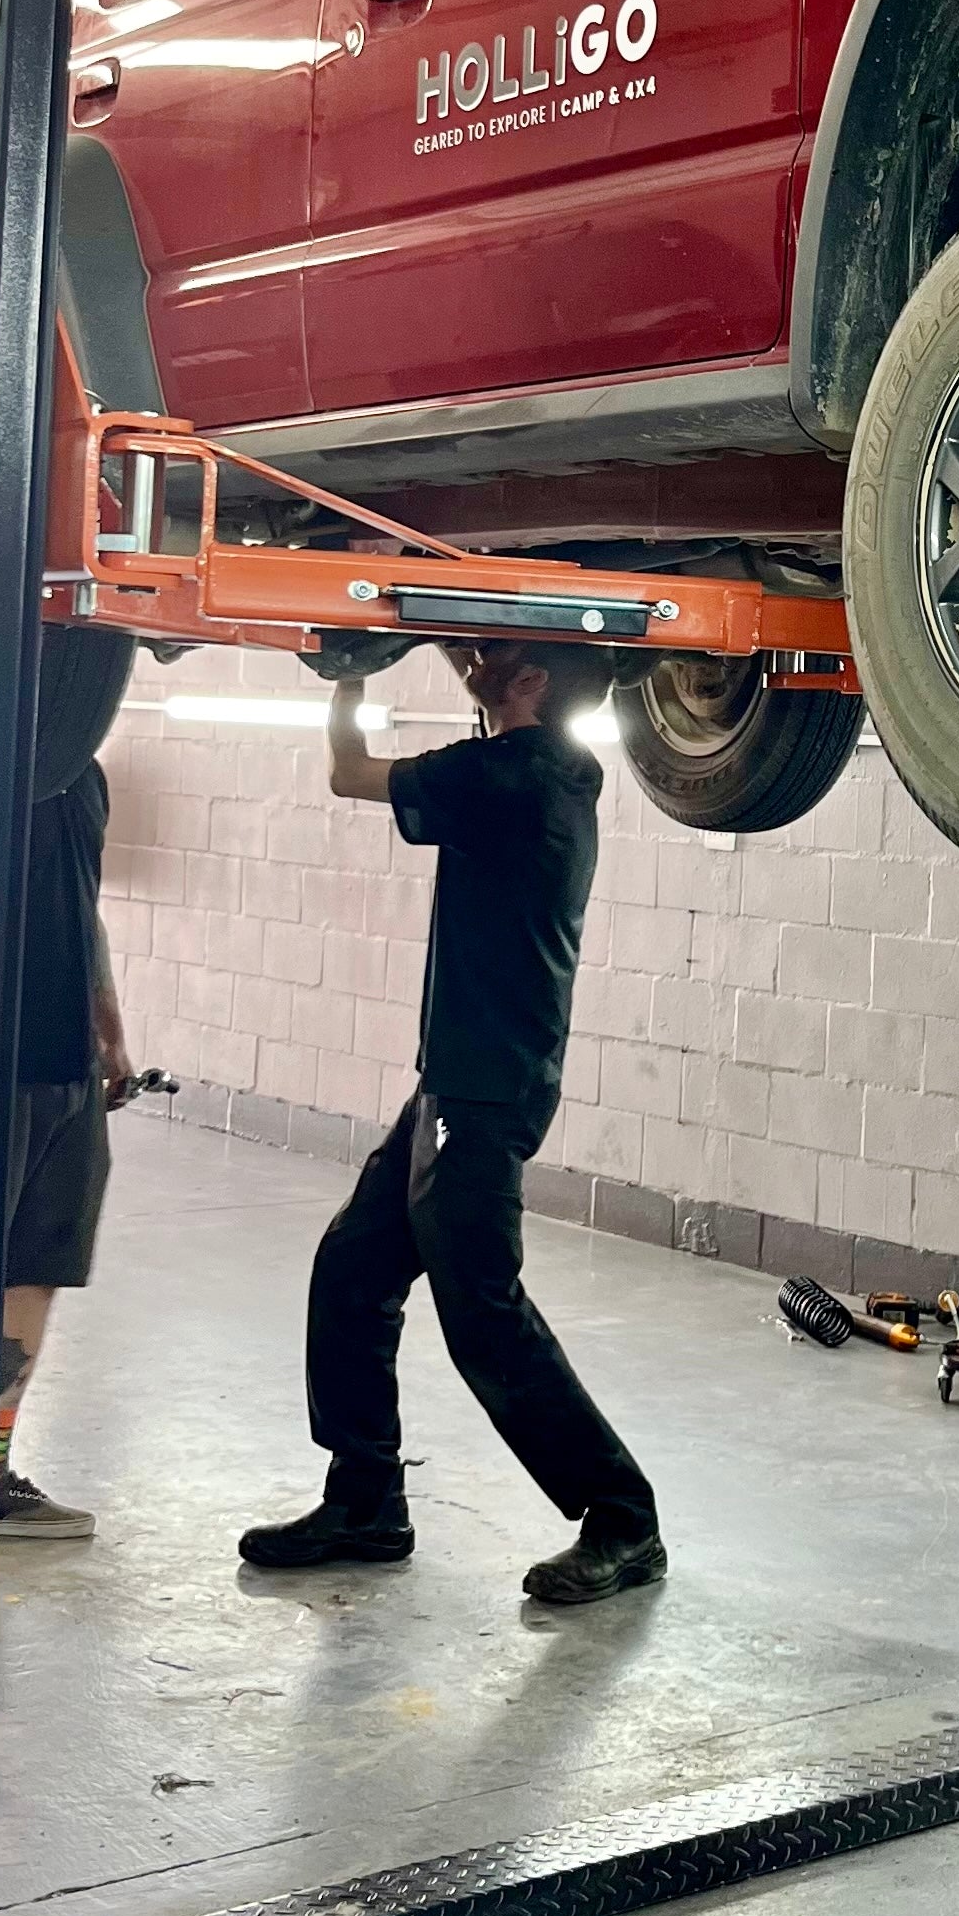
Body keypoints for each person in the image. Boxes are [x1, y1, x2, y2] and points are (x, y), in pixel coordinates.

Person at [238, 642, 663, 1604]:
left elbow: (349, 772)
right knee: (353, 1268)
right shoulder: (546, 769)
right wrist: (440, 639)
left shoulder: (509, 775)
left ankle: (623, 1517)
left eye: (494, 657)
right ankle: (365, 1500)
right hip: (461, 1083)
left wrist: (347, 669)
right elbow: (473, 706)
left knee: (482, 1311)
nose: (476, 663)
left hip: (480, 1092)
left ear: (534, 685)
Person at [0, 629, 138, 1542]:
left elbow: (80, 900)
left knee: (40, 1262)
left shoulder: (82, 779)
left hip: (65, 1062)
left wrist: (108, 1021)